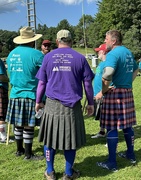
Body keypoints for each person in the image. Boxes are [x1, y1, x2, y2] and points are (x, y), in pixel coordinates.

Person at [35, 29, 94, 180]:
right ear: (72, 41)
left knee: (50, 138)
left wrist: (37, 101)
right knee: (70, 139)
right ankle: (68, 174)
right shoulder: (80, 58)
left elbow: (41, 83)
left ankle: (50, 172)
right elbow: (87, 84)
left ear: (57, 41)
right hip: (72, 106)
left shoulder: (48, 57)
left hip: (52, 105)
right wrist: (91, 103)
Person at [96, 30, 139, 171]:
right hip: (126, 92)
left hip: (114, 93)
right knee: (127, 126)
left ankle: (112, 162)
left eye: (106, 38)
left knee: (111, 126)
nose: (105, 41)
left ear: (113, 41)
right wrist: (127, 83)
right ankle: (130, 155)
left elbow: (108, 72)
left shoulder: (113, 54)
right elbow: (135, 70)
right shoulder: (127, 52)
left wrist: (103, 91)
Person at [5, 27, 44, 160]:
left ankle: (19, 150)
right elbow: (46, 74)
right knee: (28, 125)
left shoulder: (11, 54)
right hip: (30, 94)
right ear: (32, 41)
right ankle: (28, 154)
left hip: (15, 93)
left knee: (18, 124)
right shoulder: (37, 54)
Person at [91, 44, 107, 139]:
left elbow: (109, 80)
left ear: (103, 52)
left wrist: (101, 92)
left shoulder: (107, 64)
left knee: (107, 116)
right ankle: (102, 131)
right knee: (101, 114)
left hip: (103, 94)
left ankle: (110, 136)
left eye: (99, 51)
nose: (97, 53)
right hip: (97, 94)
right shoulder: (101, 63)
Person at [0, 41, 13, 143]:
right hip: (1, 88)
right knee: (2, 113)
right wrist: (10, 80)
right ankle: (3, 137)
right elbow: (1, 76)